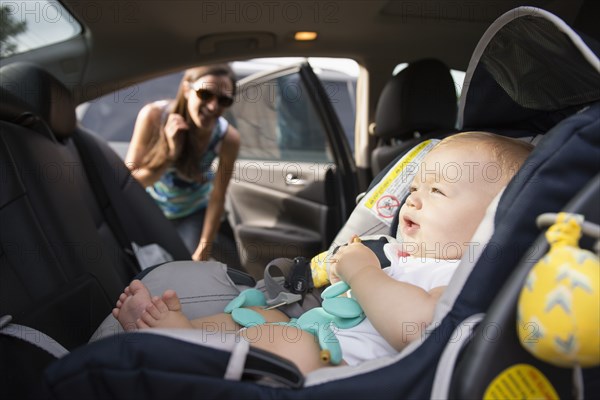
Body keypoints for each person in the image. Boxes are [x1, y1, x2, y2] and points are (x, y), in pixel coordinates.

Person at [113, 131, 533, 375]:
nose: (413, 201)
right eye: (416, 188)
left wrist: (364, 272)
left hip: (344, 371)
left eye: (437, 191)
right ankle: (185, 332)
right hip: (323, 333)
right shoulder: (398, 251)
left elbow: (416, 326)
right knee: (267, 317)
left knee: (287, 339)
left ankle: (188, 349)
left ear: (491, 222)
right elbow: (342, 285)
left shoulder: (465, 274)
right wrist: (340, 269)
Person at [125, 64, 240, 262]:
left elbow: (217, 198)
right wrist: (169, 154)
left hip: (193, 212)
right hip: (151, 209)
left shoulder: (228, 138)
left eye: (223, 100)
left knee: (184, 268)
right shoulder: (153, 116)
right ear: (187, 89)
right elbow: (129, 185)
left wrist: (203, 250)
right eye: (205, 94)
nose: (213, 106)